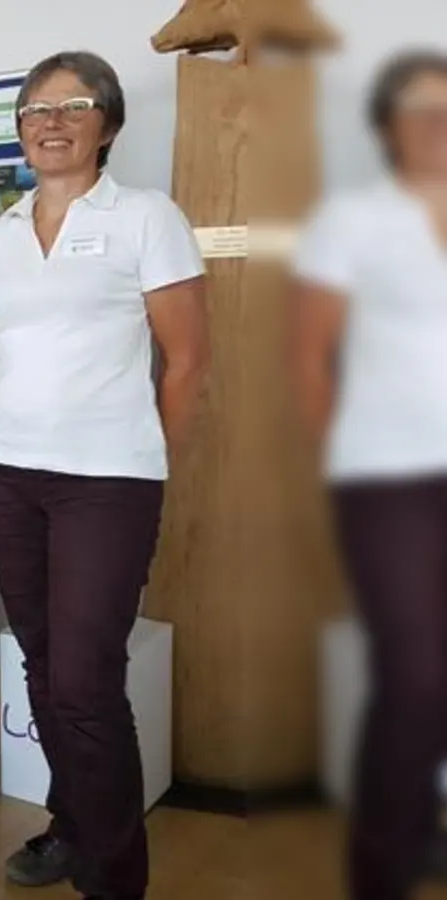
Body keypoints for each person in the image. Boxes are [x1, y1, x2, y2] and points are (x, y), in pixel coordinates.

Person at [0, 52, 209, 900]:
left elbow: (186, 362)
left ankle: (114, 881)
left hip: (106, 480)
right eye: (35, 108)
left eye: (73, 105)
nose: (51, 120)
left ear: (106, 122)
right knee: (40, 664)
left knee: (84, 683)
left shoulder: (148, 216)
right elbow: (0, 329)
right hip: (2, 470)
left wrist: (148, 459)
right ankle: (72, 824)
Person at [289, 50, 447, 900]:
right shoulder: (353, 221)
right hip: (388, 479)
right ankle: (381, 865)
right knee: (416, 671)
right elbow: (311, 361)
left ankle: (419, 827)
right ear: (388, 127)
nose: (436, 127)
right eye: (419, 111)